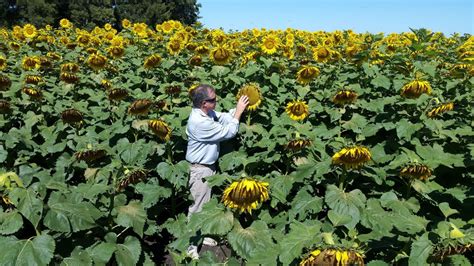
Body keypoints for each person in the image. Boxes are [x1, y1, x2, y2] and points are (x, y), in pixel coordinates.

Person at [185, 84, 249, 259]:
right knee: (198, 208)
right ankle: (190, 245)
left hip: (208, 167)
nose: (217, 101)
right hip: (200, 170)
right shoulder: (199, 122)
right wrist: (238, 114)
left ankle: (204, 234)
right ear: (204, 103)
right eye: (213, 100)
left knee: (206, 205)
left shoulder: (207, 113)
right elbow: (229, 131)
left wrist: (237, 109)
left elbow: (224, 117)